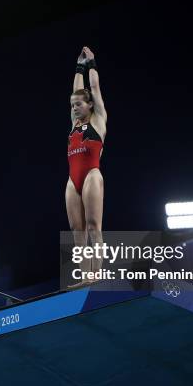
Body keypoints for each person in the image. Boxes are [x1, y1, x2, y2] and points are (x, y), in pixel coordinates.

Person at [66, 46, 108, 285]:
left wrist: (90, 63)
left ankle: (98, 274)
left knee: (93, 226)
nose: (74, 108)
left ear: (90, 105)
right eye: (72, 105)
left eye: (79, 104)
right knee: (77, 230)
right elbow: (75, 91)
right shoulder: (74, 124)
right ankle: (85, 276)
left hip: (92, 175)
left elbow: (94, 89)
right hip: (73, 179)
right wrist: (77, 67)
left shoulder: (98, 119)